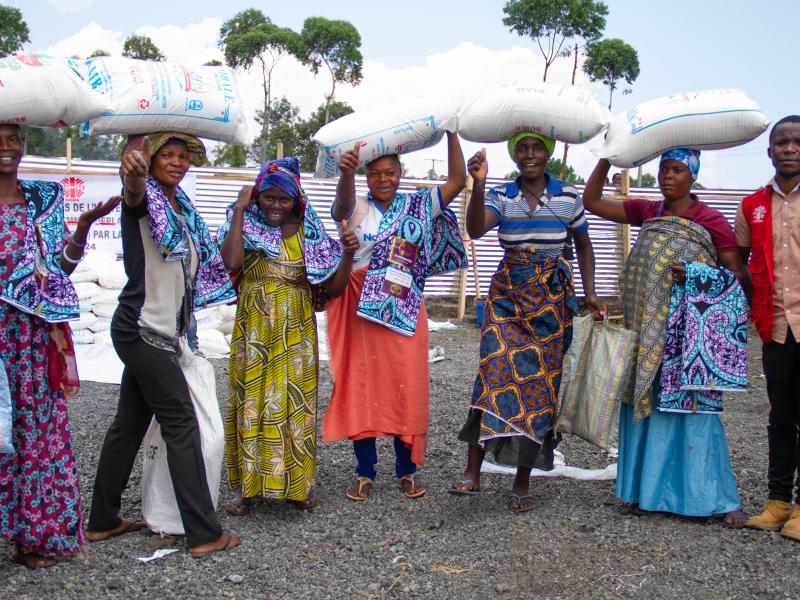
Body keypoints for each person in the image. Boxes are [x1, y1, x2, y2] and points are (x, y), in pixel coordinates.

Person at [87, 132, 241, 557]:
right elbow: (133, 191)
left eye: (183, 156)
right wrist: (132, 175)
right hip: (141, 330)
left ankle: (102, 520)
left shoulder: (181, 209)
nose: (176, 162)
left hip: (161, 332)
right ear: (149, 160)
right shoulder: (144, 202)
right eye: (166, 155)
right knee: (182, 424)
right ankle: (203, 532)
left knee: (129, 424)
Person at [581, 151, 749, 527]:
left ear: (693, 177)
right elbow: (591, 202)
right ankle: (647, 494)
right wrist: (607, 159)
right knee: (647, 401)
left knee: (693, 409)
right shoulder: (648, 211)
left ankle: (714, 497)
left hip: (687, 337)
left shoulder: (711, 220)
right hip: (647, 331)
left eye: (678, 171)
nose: (668, 177)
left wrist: (692, 274)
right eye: (664, 170)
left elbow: (736, 278)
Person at [449, 132, 606, 512]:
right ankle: (473, 471)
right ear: (514, 154)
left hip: (551, 303)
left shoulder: (568, 195)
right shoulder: (502, 194)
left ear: (547, 152)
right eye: (522, 148)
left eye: (537, 148)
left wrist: (590, 292)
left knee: (540, 388)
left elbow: (584, 245)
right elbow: (475, 230)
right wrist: (480, 183)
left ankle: (522, 482)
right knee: (493, 374)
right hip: (507, 298)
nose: (530, 155)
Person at [323, 131, 468, 501]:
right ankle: (365, 471)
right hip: (359, 306)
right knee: (361, 383)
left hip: (403, 304)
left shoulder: (418, 206)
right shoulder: (356, 207)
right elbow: (339, 211)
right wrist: (345, 174)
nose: (383, 179)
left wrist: (451, 131)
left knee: (407, 383)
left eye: (390, 172)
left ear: (400, 174)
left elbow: (455, 181)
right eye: (375, 174)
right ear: (366, 177)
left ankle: (407, 469)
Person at [0, 124, 119, 568]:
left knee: (34, 436)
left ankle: (34, 536)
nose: (7, 146)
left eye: (14, 137)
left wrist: (83, 229)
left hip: (29, 339)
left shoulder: (40, 199)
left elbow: (58, 270)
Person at [219, 157, 358, 515]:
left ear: (296, 199)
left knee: (293, 405)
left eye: (284, 199)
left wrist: (347, 254)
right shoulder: (247, 225)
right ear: (257, 197)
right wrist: (238, 208)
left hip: (295, 329)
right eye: (268, 198)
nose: (275, 206)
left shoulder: (310, 234)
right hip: (253, 326)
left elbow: (334, 289)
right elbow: (232, 262)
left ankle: (297, 487)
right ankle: (246, 489)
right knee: (250, 401)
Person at [736, 115, 800, 539]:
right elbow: (739, 260)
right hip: (776, 327)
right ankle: (778, 502)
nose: (790, 148)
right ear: (770, 151)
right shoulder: (752, 205)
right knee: (781, 416)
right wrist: (755, 298)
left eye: (797, 141)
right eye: (782, 142)